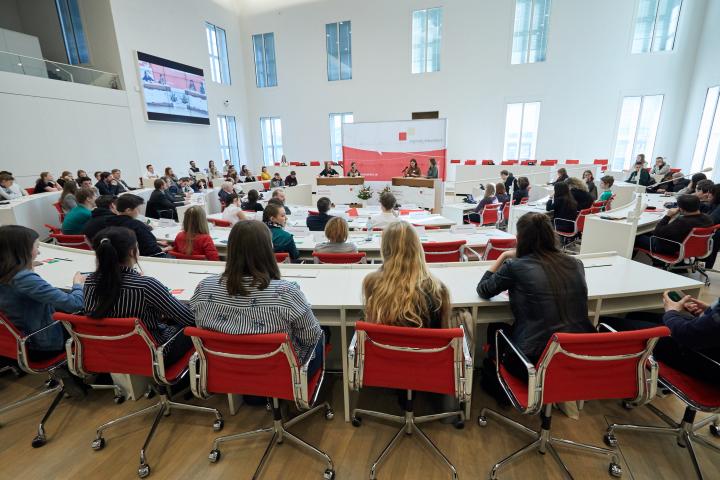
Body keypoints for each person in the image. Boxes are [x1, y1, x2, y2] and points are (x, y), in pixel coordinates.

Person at [190, 220, 324, 372]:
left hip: (226, 368)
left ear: (231, 249)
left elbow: (198, 323)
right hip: (282, 372)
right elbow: (312, 338)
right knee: (323, 334)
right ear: (268, 249)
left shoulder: (203, 288)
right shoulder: (287, 293)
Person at [477, 213, 594, 384]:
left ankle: (498, 385)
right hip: (574, 357)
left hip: (531, 363)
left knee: (495, 328)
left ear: (520, 238)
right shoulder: (575, 263)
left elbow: (483, 290)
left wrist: (503, 256)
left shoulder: (515, 266)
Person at [84, 227, 194, 364]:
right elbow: (190, 318)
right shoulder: (146, 285)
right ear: (132, 252)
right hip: (154, 355)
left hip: (108, 351)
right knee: (194, 326)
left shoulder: (90, 281)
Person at [0, 225, 85, 361]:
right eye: (36, 247)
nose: (38, 252)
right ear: (22, 251)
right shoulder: (24, 278)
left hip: (16, 337)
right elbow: (75, 304)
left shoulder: (7, 271)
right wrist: (77, 284)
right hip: (42, 342)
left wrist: (28, 265)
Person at [602, 292, 718, 383]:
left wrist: (671, 312)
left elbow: (687, 335)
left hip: (703, 358)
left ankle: (607, 376)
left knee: (609, 322)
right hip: (707, 341)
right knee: (635, 315)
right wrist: (709, 312)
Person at [363, 221, 450, 328]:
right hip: (422, 344)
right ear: (417, 247)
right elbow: (443, 335)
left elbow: (371, 328)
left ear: (385, 249)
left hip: (384, 344)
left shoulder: (372, 283)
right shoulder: (438, 289)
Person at [634, 195, 713, 257]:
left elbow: (657, 232)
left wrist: (668, 216)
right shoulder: (708, 218)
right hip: (689, 247)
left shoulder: (683, 222)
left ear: (681, 209)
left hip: (668, 248)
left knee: (634, 236)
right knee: (644, 234)